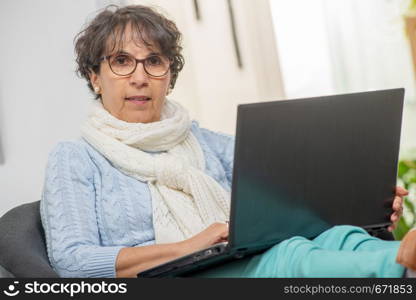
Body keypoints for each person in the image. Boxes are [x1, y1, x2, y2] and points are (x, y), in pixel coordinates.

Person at [40, 4, 412, 278]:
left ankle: (402, 256)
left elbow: (287, 209)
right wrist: (190, 246)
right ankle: (402, 265)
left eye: (154, 61)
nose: (140, 77)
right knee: (290, 257)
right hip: (168, 276)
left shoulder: (210, 143)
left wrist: (357, 210)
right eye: (122, 61)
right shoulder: (75, 158)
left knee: (341, 237)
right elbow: (74, 261)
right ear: (94, 77)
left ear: (169, 76)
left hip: (229, 260)